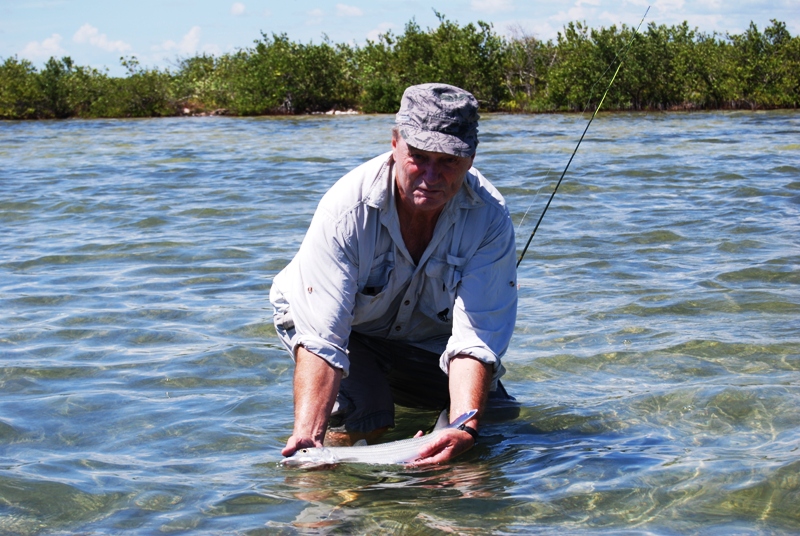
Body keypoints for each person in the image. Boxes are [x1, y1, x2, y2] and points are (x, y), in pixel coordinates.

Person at [271, 83, 518, 465]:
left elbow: (476, 339)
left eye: (449, 160)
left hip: (421, 337)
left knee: (495, 422)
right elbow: (323, 339)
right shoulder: (346, 210)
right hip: (342, 327)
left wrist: (464, 426)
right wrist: (308, 435)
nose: (431, 176)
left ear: (470, 158)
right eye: (418, 156)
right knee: (369, 411)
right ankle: (342, 467)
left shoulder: (490, 217)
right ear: (394, 143)